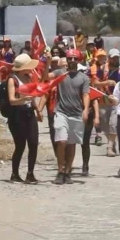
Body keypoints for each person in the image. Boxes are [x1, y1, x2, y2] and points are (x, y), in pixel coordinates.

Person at [49, 49, 91, 185]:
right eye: (70, 58)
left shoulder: (84, 78)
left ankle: (67, 172)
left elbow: (85, 95)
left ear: (78, 61)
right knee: (61, 142)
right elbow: (45, 77)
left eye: (75, 58)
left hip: (76, 114)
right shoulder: (60, 73)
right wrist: (47, 62)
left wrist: (85, 110)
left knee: (72, 144)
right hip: (61, 112)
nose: (72, 61)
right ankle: (60, 170)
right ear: (66, 60)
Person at [6, 54, 42, 184]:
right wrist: (23, 99)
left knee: (33, 143)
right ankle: (15, 173)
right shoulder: (12, 79)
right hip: (17, 114)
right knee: (20, 145)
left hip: (29, 112)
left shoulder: (28, 78)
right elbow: (12, 100)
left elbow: (32, 97)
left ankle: (30, 173)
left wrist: (37, 110)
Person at [94, 49, 120, 157]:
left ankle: (109, 147)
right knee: (105, 126)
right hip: (104, 101)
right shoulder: (103, 69)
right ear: (109, 58)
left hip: (117, 102)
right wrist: (106, 82)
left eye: (117, 57)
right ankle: (112, 142)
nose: (115, 59)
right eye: (113, 57)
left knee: (113, 125)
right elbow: (95, 83)